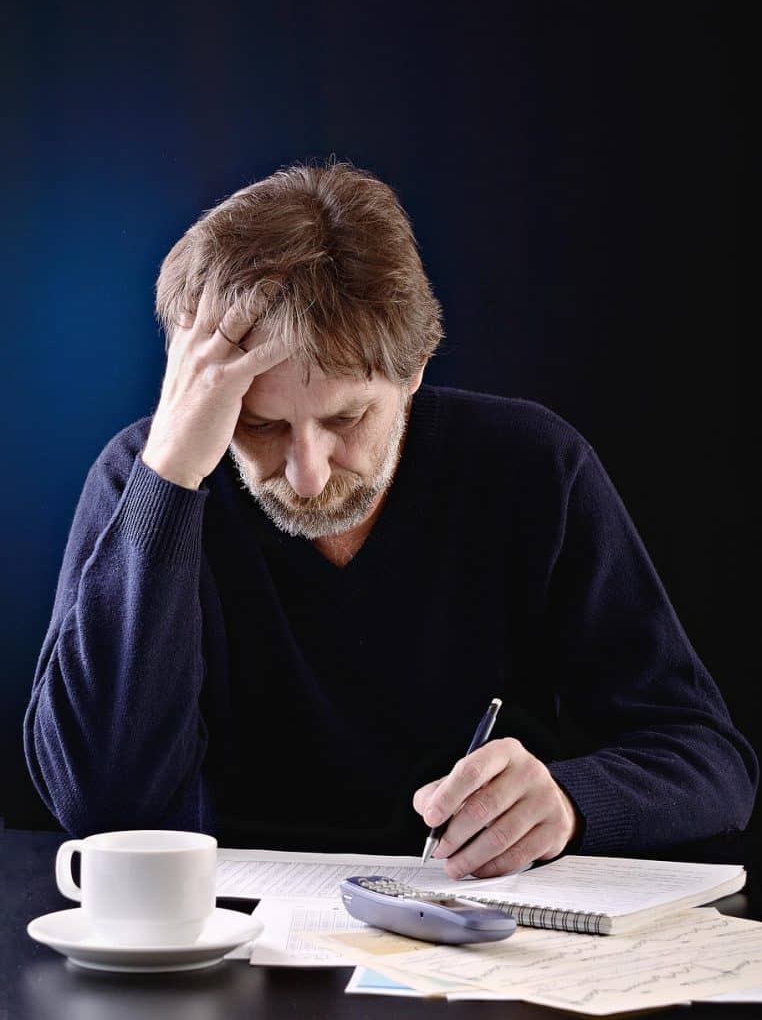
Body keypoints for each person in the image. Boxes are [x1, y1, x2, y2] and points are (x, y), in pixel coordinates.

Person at [24, 160, 757, 880]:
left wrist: (570, 800)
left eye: (346, 417)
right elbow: (103, 805)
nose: (306, 475)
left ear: (414, 370)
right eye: (261, 426)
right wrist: (171, 480)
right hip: (224, 954)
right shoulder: (145, 478)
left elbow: (709, 760)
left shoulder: (532, 468)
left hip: (476, 955)